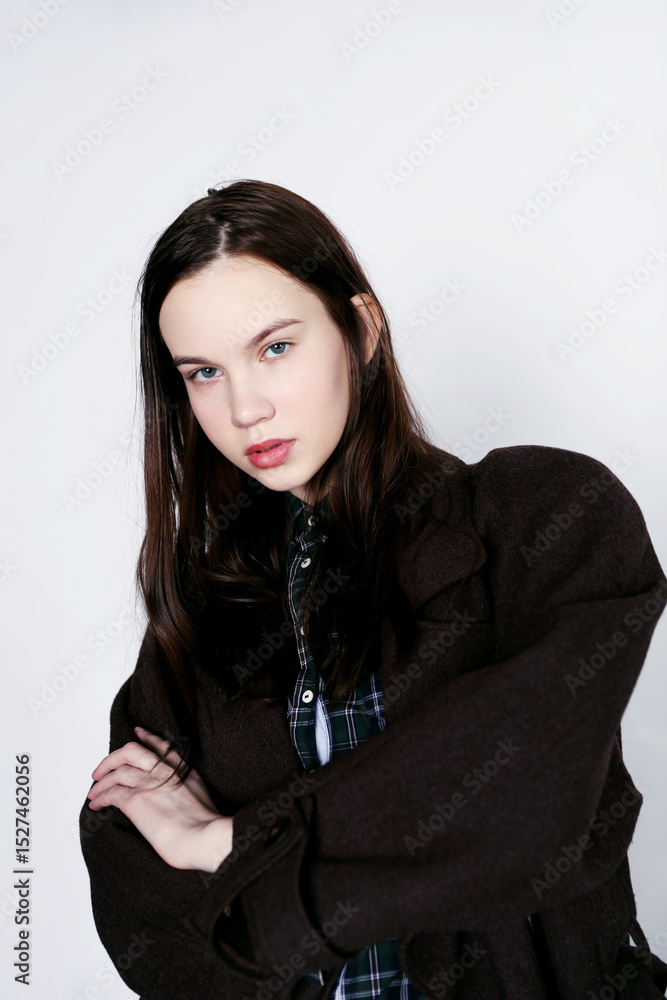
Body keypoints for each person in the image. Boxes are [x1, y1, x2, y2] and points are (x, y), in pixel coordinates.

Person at [79, 179, 667, 1000]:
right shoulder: (204, 603)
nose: (244, 408)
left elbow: (526, 798)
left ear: (359, 329)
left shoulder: (545, 513)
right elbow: (137, 892)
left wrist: (229, 840)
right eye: (204, 372)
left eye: (274, 348)